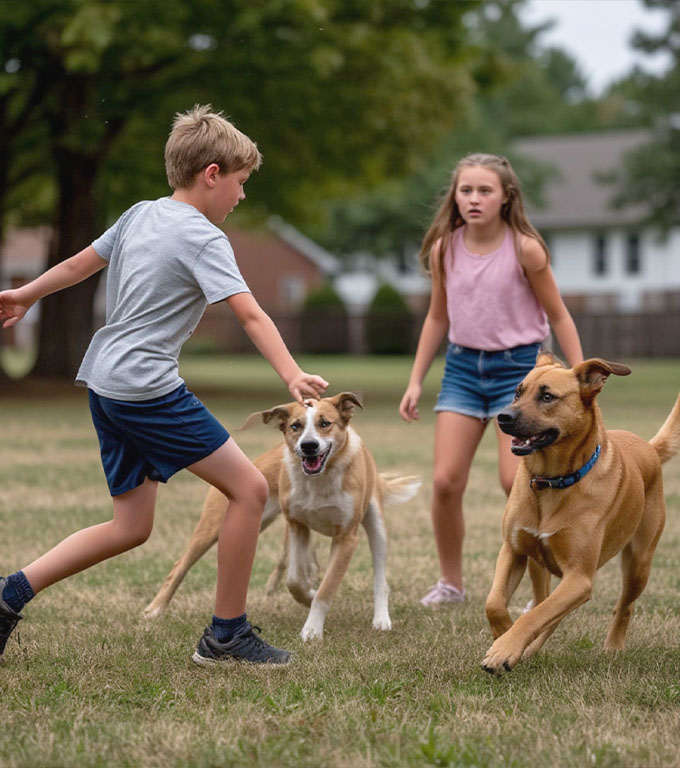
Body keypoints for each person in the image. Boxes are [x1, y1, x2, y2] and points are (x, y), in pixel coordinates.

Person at [0, 104, 328, 667]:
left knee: (131, 526)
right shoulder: (204, 238)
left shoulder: (140, 213)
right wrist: (292, 373)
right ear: (212, 174)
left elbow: (80, 265)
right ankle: (227, 635)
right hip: (145, 387)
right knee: (250, 491)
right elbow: (250, 315)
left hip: (105, 382)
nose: (242, 197)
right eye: (241, 183)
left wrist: (26, 294)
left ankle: (7, 595)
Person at [399, 153, 583, 606]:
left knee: (513, 480)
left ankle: (538, 593)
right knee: (445, 481)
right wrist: (415, 379)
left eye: (485, 190)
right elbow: (437, 317)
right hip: (463, 370)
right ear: (455, 197)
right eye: (466, 190)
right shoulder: (446, 247)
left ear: (506, 197)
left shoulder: (525, 248)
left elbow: (558, 314)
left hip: (520, 373)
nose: (474, 199)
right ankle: (451, 584)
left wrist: (578, 379)